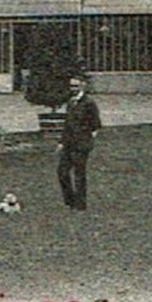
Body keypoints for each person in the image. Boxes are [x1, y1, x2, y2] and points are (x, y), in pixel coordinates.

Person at [58, 74, 102, 210]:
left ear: (83, 85)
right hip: (68, 143)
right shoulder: (71, 103)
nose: (73, 88)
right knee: (62, 172)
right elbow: (67, 125)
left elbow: (96, 125)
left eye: (76, 86)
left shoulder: (89, 103)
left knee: (79, 174)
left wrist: (87, 141)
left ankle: (80, 204)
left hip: (81, 144)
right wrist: (62, 142)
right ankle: (69, 200)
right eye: (71, 86)